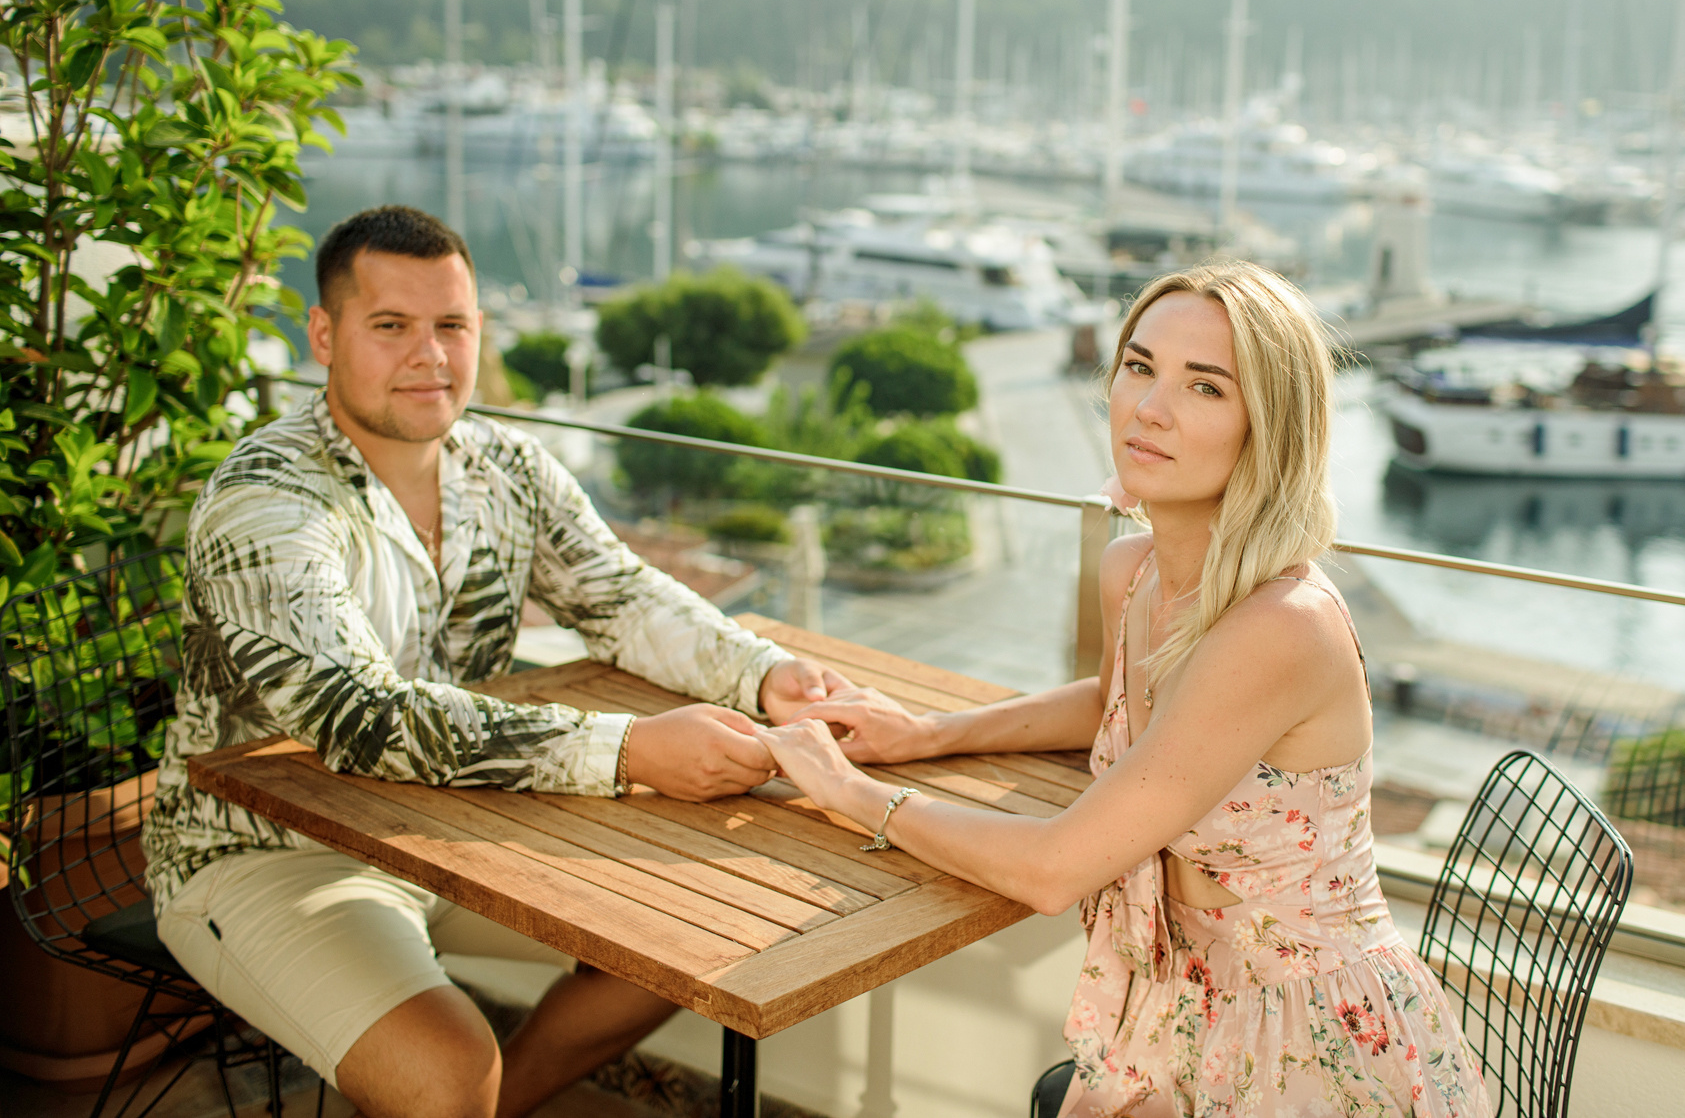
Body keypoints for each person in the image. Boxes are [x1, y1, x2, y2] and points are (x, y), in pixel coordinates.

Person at [143, 205, 854, 1118]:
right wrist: (631, 750)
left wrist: (765, 675)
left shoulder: (507, 467)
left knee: (702, 940)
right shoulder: (267, 501)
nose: (430, 356)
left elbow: (622, 598)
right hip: (265, 852)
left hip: (450, 822)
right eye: (391, 326)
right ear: (323, 334)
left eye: (453, 325)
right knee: (445, 1073)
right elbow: (364, 718)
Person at [757, 261, 1492, 1117]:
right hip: (1176, 1000)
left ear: (1272, 427)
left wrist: (848, 791)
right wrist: (927, 734)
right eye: (1139, 367)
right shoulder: (1135, 572)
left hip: (1301, 1033)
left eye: (1206, 387)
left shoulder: (1282, 626)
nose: (1149, 408)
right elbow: (1112, 701)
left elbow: (1054, 869)